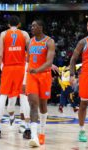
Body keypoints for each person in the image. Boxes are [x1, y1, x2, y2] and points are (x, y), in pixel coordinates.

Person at [0, 15, 30, 139]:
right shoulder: (25, 34)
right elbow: (30, 53)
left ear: (8, 25)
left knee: (3, 97)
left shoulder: (3, 34)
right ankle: (27, 128)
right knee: (24, 97)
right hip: (21, 68)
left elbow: (0, 55)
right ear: (19, 24)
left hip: (8, 68)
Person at [26, 19, 55, 147]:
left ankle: (42, 132)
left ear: (41, 27)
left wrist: (37, 70)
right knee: (33, 104)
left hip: (44, 76)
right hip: (31, 76)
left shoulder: (49, 42)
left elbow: (49, 62)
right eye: (31, 26)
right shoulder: (30, 42)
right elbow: (27, 61)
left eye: (34, 26)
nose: (32, 28)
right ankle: (34, 136)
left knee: (43, 105)